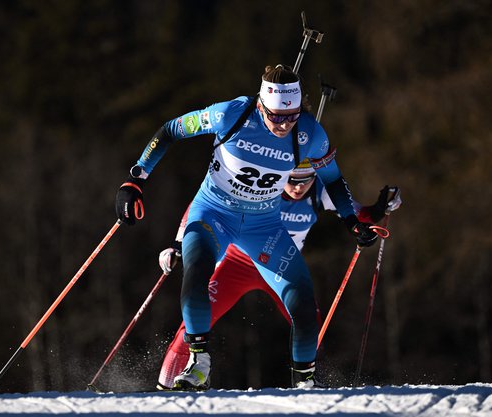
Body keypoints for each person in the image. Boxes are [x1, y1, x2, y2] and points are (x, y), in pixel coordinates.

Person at [115, 64, 381, 390]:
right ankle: (199, 363)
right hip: (214, 214)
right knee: (196, 269)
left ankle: (305, 385)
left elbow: (334, 180)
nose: (284, 125)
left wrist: (352, 221)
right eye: (276, 117)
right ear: (261, 105)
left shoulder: (310, 134)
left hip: (263, 227)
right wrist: (136, 179)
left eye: (291, 116)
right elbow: (171, 130)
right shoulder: (232, 115)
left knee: (303, 301)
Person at [155, 160, 401, 389]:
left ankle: (311, 385)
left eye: (306, 180)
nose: (298, 187)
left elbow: (359, 215)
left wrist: (381, 207)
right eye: (292, 180)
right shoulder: (262, 186)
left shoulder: (319, 192)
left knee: (310, 324)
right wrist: (178, 244)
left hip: (280, 267)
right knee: (194, 323)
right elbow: (202, 204)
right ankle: (166, 387)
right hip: (237, 265)